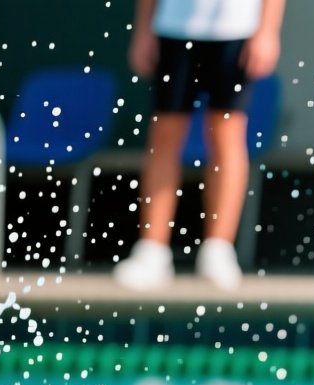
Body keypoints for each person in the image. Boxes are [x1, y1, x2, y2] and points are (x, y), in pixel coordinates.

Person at [112, 0, 285, 292]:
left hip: (238, 28)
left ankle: (218, 249)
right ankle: (152, 250)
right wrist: (143, 30)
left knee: (227, 134)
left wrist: (267, 30)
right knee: (164, 135)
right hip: (172, 28)